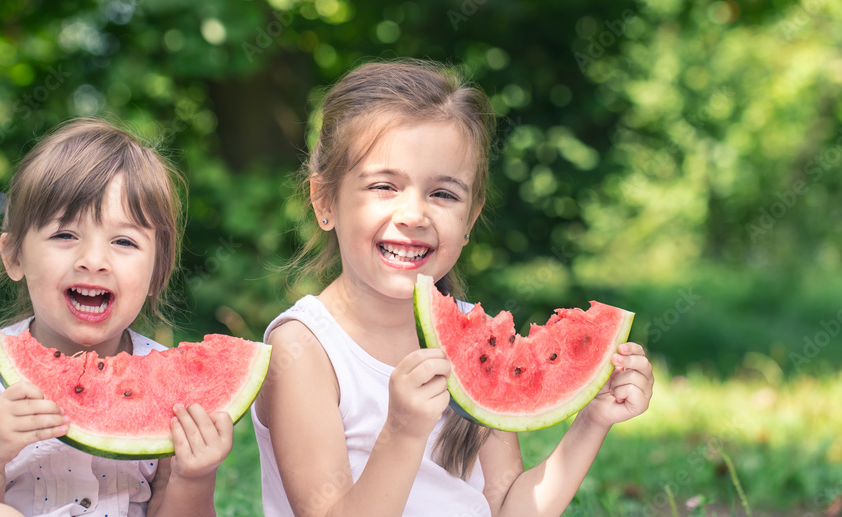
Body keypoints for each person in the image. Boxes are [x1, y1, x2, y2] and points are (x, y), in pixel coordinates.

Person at [251, 59, 654, 516]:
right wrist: (402, 432)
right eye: (384, 186)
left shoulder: (475, 339)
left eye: (443, 194)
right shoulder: (304, 349)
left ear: (470, 219)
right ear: (324, 201)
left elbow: (508, 508)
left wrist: (592, 421)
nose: (414, 215)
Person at [0, 118, 232, 517]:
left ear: (157, 273)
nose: (93, 261)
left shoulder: (171, 391)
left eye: (124, 241)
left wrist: (194, 477)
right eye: (65, 235)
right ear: (14, 256)